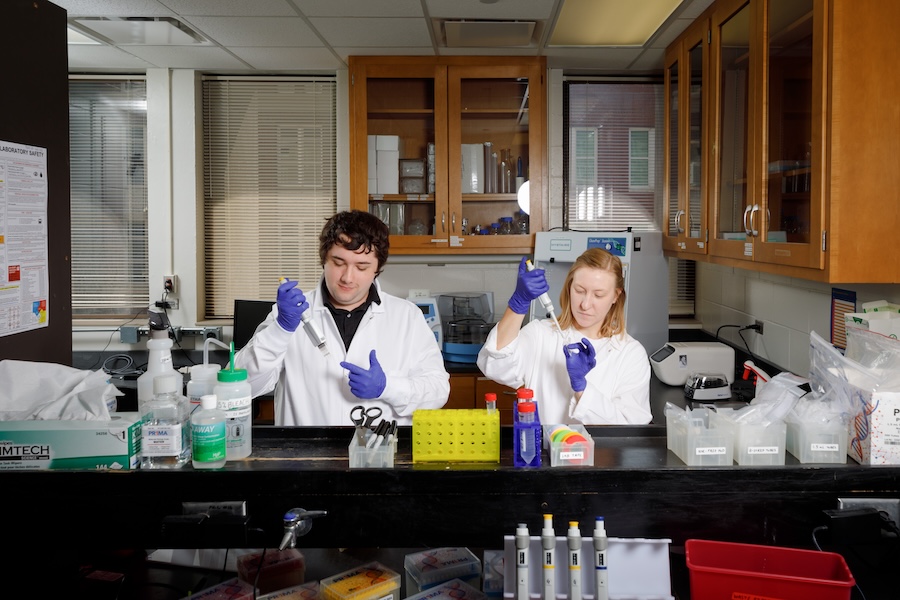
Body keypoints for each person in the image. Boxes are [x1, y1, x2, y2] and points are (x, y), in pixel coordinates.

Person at [235, 210, 450, 426]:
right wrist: (280, 330)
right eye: (338, 263)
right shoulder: (289, 316)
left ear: (377, 269)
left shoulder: (406, 317)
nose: (347, 277)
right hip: (307, 454)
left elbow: (438, 391)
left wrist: (388, 387)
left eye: (361, 266)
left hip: (381, 456)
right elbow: (241, 388)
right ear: (324, 260)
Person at [477, 249, 651, 425]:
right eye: (579, 290)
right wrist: (518, 303)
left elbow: (632, 426)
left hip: (599, 452)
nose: (585, 304)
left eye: (598, 295)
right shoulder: (541, 333)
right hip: (545, 450)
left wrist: (582, 388)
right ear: (569, 287)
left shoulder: (630, 353)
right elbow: (495, 366)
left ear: (615, 295)